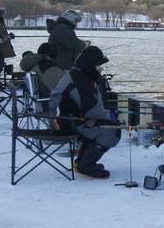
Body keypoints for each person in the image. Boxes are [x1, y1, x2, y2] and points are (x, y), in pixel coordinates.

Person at [48, 45, 121, 178]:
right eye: (98, 66)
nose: (100, 69)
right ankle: (86, 165)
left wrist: (52, 119)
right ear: (90, 65)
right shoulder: (81, 81)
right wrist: (111, 121)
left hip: (67, 120)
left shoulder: (75, 74)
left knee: (101, 124)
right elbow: (92, 110)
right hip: (71, 124)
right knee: (113, 131)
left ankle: (81, 161)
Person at [0, 8, 16, 77]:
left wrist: (9, 36)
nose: (3, 16)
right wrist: (9, 36)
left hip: (0, 52)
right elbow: (0, 38)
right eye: (2, 14)